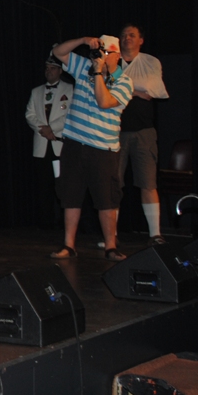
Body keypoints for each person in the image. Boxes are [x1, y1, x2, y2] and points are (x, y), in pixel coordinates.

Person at [49, 35, 133, 261]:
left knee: (106, 200)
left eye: (107, 53)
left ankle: (110, 246)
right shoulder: (84, 65)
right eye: (100, 52)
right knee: (71, 196)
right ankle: (68, 245)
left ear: (117, 56)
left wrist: (97, 74)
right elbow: (58, 52)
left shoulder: (124, 82)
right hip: (74, 143)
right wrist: (83, 41)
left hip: (102, 148)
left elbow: (104, 102)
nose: (102, 57)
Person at [118, 24, 170, 245]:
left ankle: (155, 234)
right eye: (123, 35)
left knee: (148, 183)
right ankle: (111, 237)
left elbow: (151, 90)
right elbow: (105, 89)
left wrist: (125, 88)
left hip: (143, 132)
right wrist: (136, 90)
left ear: (141, 40)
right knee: (113, 184)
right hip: (114, 131)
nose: (127, 38)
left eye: (132, 35)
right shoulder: (112, 62)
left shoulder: (150, 62)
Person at [25, 54, 74, 228]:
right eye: (47, 68)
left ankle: (62, 220)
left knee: (62, 185)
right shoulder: (36, 91)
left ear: (60, 71)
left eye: (53, 68)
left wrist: (51, 128)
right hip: (42, 145)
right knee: (43, 185)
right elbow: (29, 114)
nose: (49, 71)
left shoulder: (70, 89)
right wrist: (43, 129)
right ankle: (45, 221)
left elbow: (70, 114)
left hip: (59, 144)